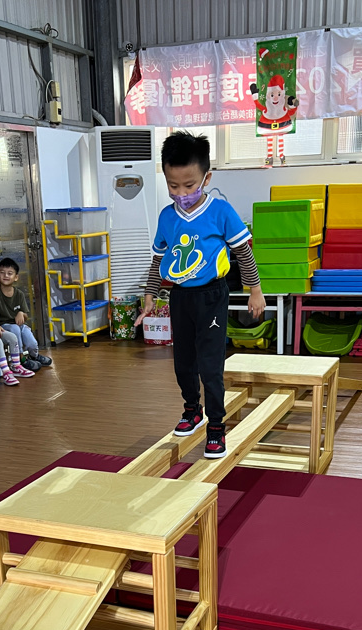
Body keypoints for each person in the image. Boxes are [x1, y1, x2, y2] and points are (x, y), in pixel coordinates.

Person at [135, 132, 265, 459]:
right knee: (183, 362)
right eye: (173, 186)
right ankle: (192, 409)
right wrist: (150, 294)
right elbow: (158, 259)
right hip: (180, 297)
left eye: (189, 185)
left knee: (209, 365)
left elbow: (244, 253)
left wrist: (255, 291)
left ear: (206, 178)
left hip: (212, 296)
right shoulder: (167, 217)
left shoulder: (220, 211)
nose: (181, 193)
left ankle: (216, 426)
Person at [0, 257, 52, 371]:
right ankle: (20, 359)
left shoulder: (19, 294)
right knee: (14, 329)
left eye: (10, 273)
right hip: (5, 327)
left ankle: (34, 356)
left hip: (19, 325)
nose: (6, 276)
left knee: (31, 342)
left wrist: (21, 313)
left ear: (16, 277)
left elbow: (25, 316)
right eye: (2, 273)